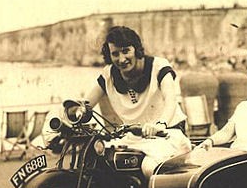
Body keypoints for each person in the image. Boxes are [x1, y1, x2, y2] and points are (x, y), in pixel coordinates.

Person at [79, 26, 191, 177]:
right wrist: (74, 113)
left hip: (168, 134)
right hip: (134, 137)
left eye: (126, 51)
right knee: (100, 161)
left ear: (136, 49)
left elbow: (170, 99)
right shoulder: (108, 75)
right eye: (115, 54)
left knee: (149, 167)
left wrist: (160, 124)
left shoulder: (158, 67)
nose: (121, 59)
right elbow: (86, 104)